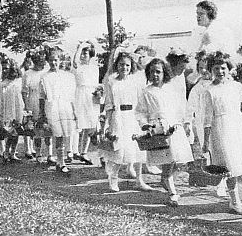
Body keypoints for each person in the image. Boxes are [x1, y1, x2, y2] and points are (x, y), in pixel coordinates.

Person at [201, 51, 242, 215]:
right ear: (210, 70)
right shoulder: (209, 91)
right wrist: (206, 141)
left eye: (223, 68)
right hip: (221, 129)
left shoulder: (236, 86)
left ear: (228, 69)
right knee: (231, 166)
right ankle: (234, 202)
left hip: (238, 126)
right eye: (216, 68)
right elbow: (207, 117)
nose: (220, 72)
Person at [136, 58, 193, 207]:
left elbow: (182, 107)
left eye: (158, 72)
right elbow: (140, 112)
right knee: (168, 159)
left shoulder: (171, 88)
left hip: (174, 125)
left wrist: (186, 123)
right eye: (151, 72)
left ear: (164, 73)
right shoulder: (145, 92)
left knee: (177, 159)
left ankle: (166, 179)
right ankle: (172, 192)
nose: (155, 75)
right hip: (158, 127)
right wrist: (145, 124)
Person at [102, 52, 151, 192]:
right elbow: (109, 104)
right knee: (119, 148)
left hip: (132, 117)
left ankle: (139, 180)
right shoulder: (112, 82)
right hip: (119, 117)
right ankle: (113, 179)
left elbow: (141, 102)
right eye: (122, 64)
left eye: (127, 65)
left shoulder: (135, 81)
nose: (124, 67)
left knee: (137, 149)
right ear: (117, 65)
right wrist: (109, 123)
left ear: (131, 66)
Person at [39, 48, 78, 174]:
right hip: (52, 107)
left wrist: (74, 111)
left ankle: (61, 161)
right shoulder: (44, 77)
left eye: (55, 60)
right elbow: (42, 97)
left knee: (63, 134)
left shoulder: (67, 76)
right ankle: (60, 161)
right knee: (56, 134)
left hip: (64, 107)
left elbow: (71, 96)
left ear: (60, 60)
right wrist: (42, 114)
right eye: (50, 61)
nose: (53, 63)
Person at [71, 41, 99, 165]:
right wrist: (81, 46)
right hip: (79, 94)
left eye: (85, 53)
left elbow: (96, 83)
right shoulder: (77, 66)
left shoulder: (94, 67)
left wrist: (98, 93)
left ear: (90, 55)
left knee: (90, 125)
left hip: (91, 96)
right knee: (78, 125)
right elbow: (75, 61)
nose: (83, 56)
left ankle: (84, 152)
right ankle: (73, 151)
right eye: (81, 53)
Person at [0, 58, 24, 162]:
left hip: (18, 108)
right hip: (8, 109)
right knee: (9, 132)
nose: (5, 71)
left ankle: (13, 152)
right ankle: (6, 152)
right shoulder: (4, 84)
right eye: (4, 69)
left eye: (7, 68)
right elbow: (0, 99)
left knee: (17, 131)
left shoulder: (18, 81)